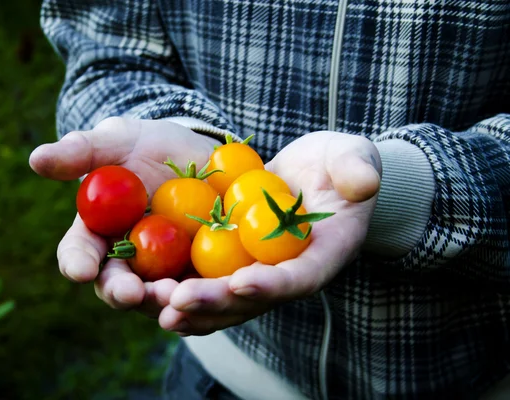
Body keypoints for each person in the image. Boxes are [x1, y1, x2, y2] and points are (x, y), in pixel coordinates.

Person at [28, 0, 510, 399]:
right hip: (225, 374)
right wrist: (172, 127)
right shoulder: (210, 203)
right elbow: (107, 52)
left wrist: (410, 187)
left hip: (471, 378)